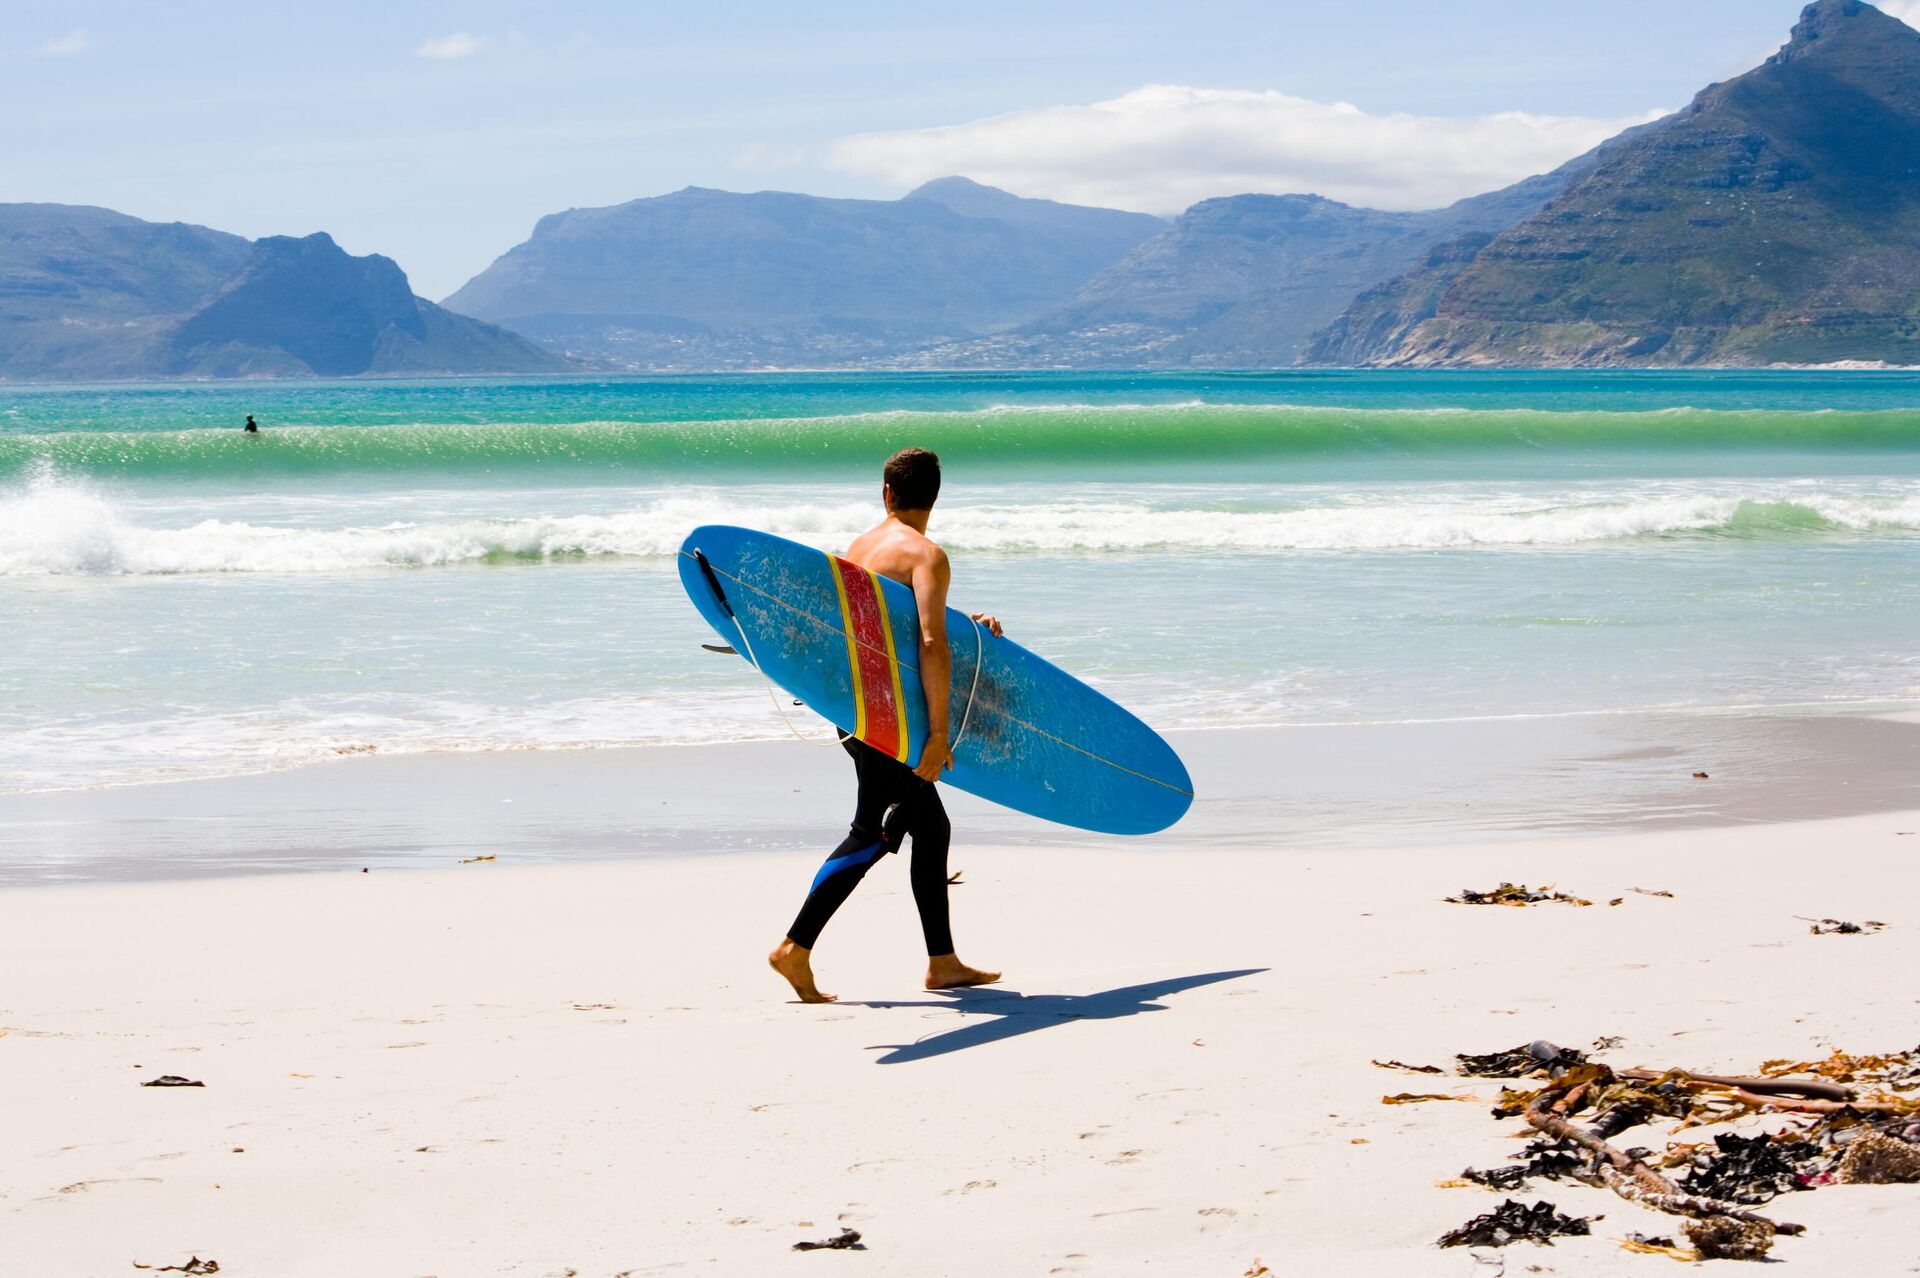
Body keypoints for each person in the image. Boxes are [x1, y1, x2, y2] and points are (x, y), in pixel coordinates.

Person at [768, 447, 1003, 1003]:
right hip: (894, 725)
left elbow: (888, 630)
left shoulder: (860, 548)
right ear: (935, 496)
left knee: (931, 828)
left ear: (887, 493)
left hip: (856, 713)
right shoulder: (928, 556)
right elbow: (927, 644)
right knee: (872, 832)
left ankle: (942, 962)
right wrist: (941, 734)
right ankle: (793, 948)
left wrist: (967, 624)